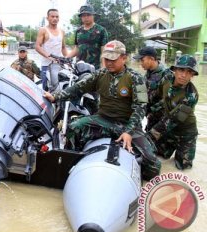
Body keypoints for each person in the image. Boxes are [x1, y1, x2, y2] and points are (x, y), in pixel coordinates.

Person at [44, 40, 161, 181]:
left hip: (127, 124)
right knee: (74, 128)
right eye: (106, 59)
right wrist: (55, 97)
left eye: (113, 59)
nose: (109, 63)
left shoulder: (135, 78)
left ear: (124, 58)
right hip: (103, 120)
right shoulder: (100, 75)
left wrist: (128, 132)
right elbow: (77, 89)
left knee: (152, 164)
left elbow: (140, 107)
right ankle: (73, 167)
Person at [147, 55, 199, 170]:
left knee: (182, 168)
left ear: (192, 75)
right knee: (159, 156)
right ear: (174, 70)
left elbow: (173, 120)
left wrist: (148, 136)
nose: (184, 75)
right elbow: (155, 96)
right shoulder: (166, 79)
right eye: (181, 69)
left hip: (186, 135)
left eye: (189, 72)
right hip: (169, 130)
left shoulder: (191, 95)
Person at [133, 46, 174, 131]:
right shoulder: (149, 72)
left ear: (151, 59)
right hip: (150, 118)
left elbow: (168, 100)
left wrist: (150, 111)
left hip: (161, 122)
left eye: (142, 60)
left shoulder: (167, 74)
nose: (141, 63)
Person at [67, 5, 109, 70]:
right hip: (79, 68)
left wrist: (104, 67)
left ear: (93, 15)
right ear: (81, 17)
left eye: (88, 15)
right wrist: (66, 58)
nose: (86, 17)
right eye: (83, 15)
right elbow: (77, 48)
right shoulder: (78, 31)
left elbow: (104, 50)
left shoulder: (101, 30)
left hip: (94, 68)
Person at [35, 8, 68, 90]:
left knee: (60, 89)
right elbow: (37, 46)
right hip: (46, 65)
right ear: (47, 18)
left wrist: (67, 59)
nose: (55, 19)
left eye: (57, 17)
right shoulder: (43, 30)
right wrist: (49, 57)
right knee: (45, 90)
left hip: (59, 65)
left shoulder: (62, 31)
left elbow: (63, 47)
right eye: (52, 16)